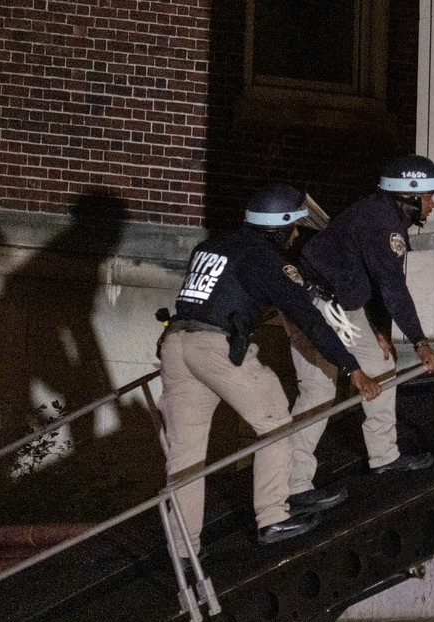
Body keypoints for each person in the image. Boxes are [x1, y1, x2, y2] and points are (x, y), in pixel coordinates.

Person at [158, 183, 382, 557]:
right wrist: (352, 368)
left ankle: (184, 550)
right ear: (279, 228)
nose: (296, 236)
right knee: (275, 420)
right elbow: (308, 318)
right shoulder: (265, 259)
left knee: (186, 456)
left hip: (175, 344)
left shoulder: (210, 247)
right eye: (293, 228)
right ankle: (273, 516)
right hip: (215, 348)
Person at [285, 155, 434, 497]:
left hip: (341, 303)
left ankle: (384, 456)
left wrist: (378, 329)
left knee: (380, 364)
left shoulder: (384, 214)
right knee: (318, 392)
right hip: (313, 302)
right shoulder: (382, 221)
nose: (433, 203)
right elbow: (392, 288)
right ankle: (293, 486)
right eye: (429, 195)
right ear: (409, 195)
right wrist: (420, 341)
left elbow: (372, 278)